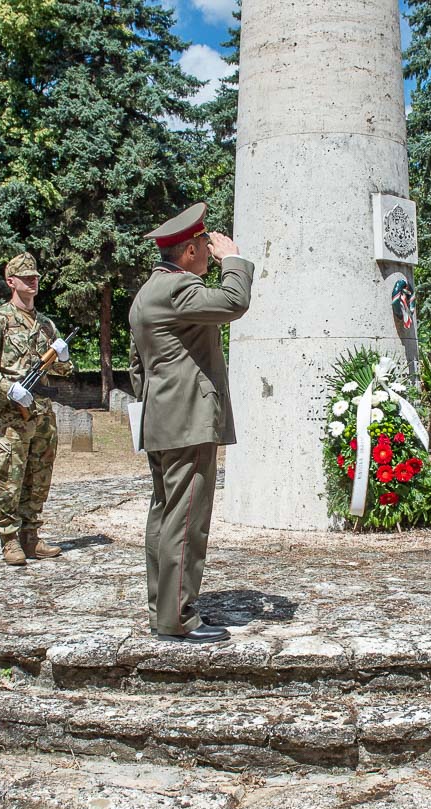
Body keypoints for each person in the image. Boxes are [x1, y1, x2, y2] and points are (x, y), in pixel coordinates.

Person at [129, 202, 252, 643]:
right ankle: (178, 617)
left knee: (164, 514)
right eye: (204, 243)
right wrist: (233, 259)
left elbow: (136, 367)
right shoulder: (178, 289)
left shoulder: (148, 291)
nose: (209, 249)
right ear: (188, 252)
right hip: (188, 419)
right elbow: (233, 301)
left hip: (163, 418)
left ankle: (160, 608)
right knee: (185, 520)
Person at [0, 253, 75, 565]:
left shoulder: (45, 325)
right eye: (26, 277)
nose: (33, 281)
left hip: (42, 414)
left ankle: (31, 535)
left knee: (39, 477)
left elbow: (63, 371)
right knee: (9, 479)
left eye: (36, 276)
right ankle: (9, 538)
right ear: (10, 281)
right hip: (11, 417)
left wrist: (63, 358)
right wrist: (8, 387)